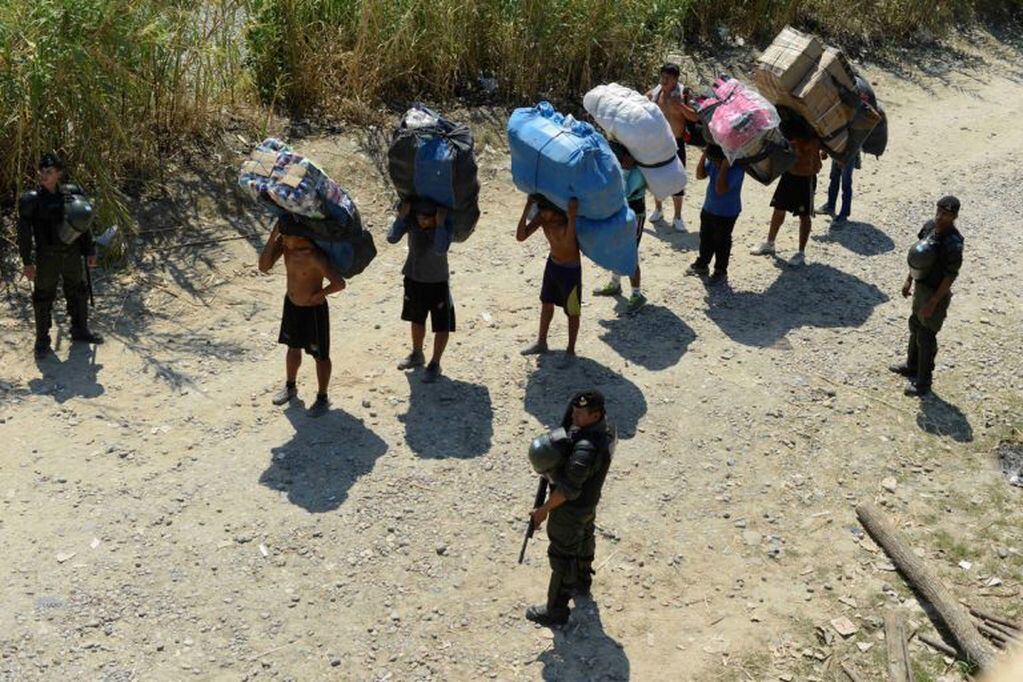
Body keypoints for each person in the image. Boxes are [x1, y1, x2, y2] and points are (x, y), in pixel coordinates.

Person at [525, 389, 616, 627]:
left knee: (562, 555)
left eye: (580, 413)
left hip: (571, 508)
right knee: (584, 539)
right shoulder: (607, 428)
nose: (574, 416)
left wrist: (543, 510)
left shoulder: (586, 448)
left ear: (595, 415)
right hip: (589, 501)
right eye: (574, 411)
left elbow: (568, 489)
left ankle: (556, 610)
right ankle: (582, 582)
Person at [258, 214, 346, 417]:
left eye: (285, 235)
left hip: (313, 310)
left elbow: (339, 283)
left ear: (300, 237)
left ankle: (322, 397)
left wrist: (320, 295)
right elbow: (263, 267)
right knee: (292, 347)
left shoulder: (314, 255)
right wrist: (272, 238)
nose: (283, 238)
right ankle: (290, 386)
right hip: (292, 305)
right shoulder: (287, 247)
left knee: (320, 356)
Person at [17, 153, 104, 358]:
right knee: (43, 297)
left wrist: (90, 250)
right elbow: (24, 233)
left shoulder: (71, 193)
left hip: (72, 253)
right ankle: (42, 341)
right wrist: (27, 262)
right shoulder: (32, 200)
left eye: (49, 172)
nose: (44, 175)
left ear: (59, 174)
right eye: (42, 171)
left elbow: (82, 222)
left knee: (78, 290)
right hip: (47, 256)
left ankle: (80, 330)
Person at [889, 196, 964, 397]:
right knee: (915, 324)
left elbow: (950, 276)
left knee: (926, 334)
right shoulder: (930, 227)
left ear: (955, 216)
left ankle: (924, 381)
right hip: (922, 286)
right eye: (939, 212)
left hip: (935, 292)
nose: (940, 217)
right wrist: (909, 280)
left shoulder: (953, 242)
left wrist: (933, 302)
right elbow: (918, 257)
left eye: (946, 214)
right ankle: (912, 365)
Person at [391, 198, 455, 384]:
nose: (422, 221)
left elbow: (440, 248)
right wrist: (402, 216)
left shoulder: (445, 225)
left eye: (427, 218)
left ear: (435, 217)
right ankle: (417, 354)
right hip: (414, 276)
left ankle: (435, 363)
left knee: (441, 324)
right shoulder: (411, 223)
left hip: (437, 281)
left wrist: (441, 224)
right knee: (416, 318)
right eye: (419, 216)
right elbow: (392, 238)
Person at [750, 120, 826, 265]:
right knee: (778, 209)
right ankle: (770, 243)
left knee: (804, 216)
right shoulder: (792, 130)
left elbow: (806, 150)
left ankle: (801, 252)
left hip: (806, 178)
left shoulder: (813, 135)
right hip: (789, 174)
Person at [517, 194, 582, 362]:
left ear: (555, 212)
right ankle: (541, 342)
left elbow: (569, 244)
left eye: (546, 212)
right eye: (541, 212)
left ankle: (570, 351)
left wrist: (572, 217)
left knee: (572, 311)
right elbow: (521, 236)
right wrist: (527, 207)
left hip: (570, 270)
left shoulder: (566, 220)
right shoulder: (543, 217)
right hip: (553, 264)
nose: (543, 215)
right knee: (546, 303)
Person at [593, 142, 647, 312]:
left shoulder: (638, 171)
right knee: (616, 248)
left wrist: (626, 170)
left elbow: (623, 192)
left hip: (635, 213)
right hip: (619, 212)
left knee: (629, 252)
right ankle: (615, 283)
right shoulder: (625, 167)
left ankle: (637, 294)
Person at [646, 63, 699, 233]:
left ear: (675, 79)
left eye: (667, 78)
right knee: (655, 176)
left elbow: (695, 115)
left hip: (677, 143)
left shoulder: (684, 93)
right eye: (662, 77)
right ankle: (658, 209)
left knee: (677, 179)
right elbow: (640, 101)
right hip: (658, 142)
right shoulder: (656, 92)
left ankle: (677, 217)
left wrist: (681, 107)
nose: (663, 81)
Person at [686, 144, 745, 284]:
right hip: (709, 208)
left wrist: (724, 167)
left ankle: (720, 271)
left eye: (717, 161)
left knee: (722, 242)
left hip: (727, 212)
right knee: (705, 237)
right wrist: (704, 155)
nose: (715, 164)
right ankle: (702, 264)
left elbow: (720, 189)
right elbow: (699, 175)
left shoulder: (737, 168)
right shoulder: (714, 161)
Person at [819, 152, 861, 224]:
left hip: (848, 155)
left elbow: (854, 143)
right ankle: (830, 206)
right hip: (837, 153)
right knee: (834, 178)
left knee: (846, 184)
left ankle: (844, 214)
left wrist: (844, 159)